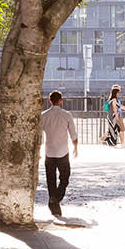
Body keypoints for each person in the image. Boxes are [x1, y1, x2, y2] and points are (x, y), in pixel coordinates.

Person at [40, 90, 78, 219]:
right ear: (60, 100)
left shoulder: (43, 115)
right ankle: (56, 199)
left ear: (50, 100)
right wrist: (76, 147)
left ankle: (53, 200)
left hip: (49, 151)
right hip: (63, 151)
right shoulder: (66, 115)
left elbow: (39, 134)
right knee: (65, 177)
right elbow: (73, 132)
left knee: (51, 179)